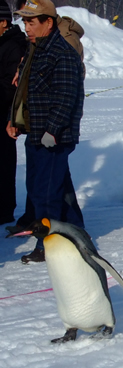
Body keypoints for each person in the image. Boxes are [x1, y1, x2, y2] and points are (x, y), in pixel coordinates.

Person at [6, 0, 85, 263]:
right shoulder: (35, 48)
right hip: (35, 130)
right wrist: (14, 120)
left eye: (32, 22)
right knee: (51, 187)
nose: (27, 27)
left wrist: (53, 130)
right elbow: (24, 90)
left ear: (48, 22)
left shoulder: (61, 53)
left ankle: (48, 243)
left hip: (54, 136)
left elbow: (66, 96)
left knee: (46, 192)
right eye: (25, 22)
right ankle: (75, 232)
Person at [0, 0, 27, 226]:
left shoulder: (13, 46)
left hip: (4, 115)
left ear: (3, 23)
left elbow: (11, 86)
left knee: (4, 163)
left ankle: (4, 211)